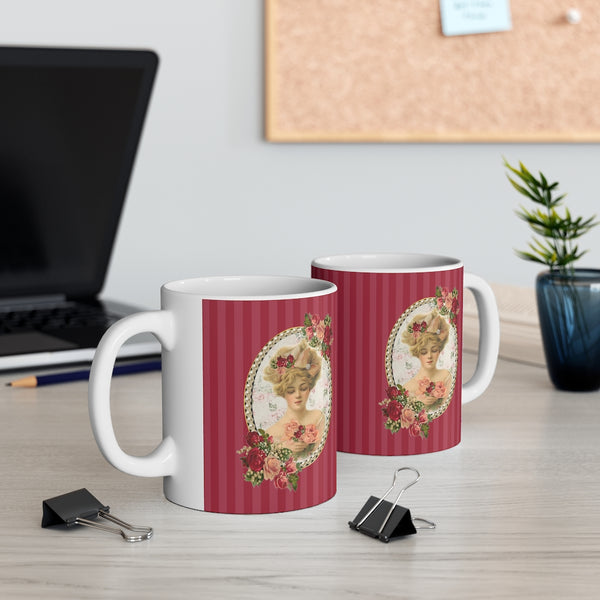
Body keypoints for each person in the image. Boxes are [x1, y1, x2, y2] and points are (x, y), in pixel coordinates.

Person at [263, 339, 325, 458]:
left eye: (303, 388)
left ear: (309, 388)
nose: (298, 395)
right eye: (291, 391)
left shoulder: (318, 418)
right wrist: (282, 448)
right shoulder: (271, 432)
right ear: (283, 393)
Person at [401, 309, 453, 407]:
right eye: (424, 352)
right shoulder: (408, 387)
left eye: (434, 350)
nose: (429, 356)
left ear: (439, 350)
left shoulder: (446, 376)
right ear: (418, 353)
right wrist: (416, 401)